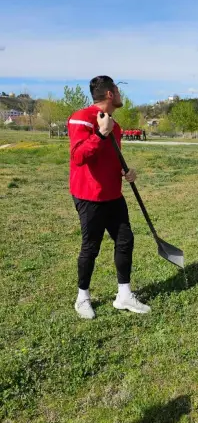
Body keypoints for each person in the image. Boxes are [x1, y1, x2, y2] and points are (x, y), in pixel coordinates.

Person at [68, 75, 151, 319]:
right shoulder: (81, 118)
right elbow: (78, 156)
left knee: (125, 240)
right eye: (118, 90)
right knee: (90, 248)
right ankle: (82, 297)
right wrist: (101, 134)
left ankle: (124, 295)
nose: (121, 95)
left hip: (113, 195)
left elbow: (109, 158)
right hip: (89, 196)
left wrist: (125, 171)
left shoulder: (115, 125)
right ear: (110, 94)